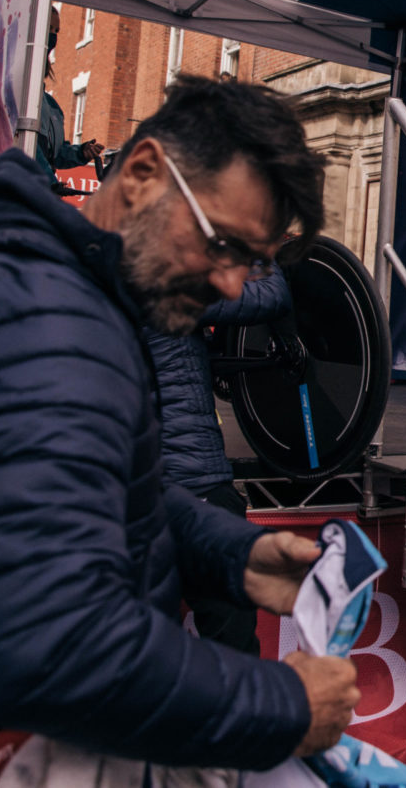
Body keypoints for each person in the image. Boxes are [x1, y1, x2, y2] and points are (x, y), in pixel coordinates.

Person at [0, 77, 359, 769]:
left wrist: (229, 553)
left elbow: (72, 490)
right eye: (222, 243)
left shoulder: (67, 295)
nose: (231, 284)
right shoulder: (43, 322)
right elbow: (51, 647)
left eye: (251, 262)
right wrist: (286, 702)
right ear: (140, 174)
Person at [145, 267, 292, 653]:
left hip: (135, 499)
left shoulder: (83, 290)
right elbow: (271, 296)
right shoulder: (166, 282)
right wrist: (266, 257)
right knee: (233, 646)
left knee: (151, 653)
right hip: (198, 488)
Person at [38, 6, 104, 180]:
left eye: (56, 30)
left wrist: (82, 153)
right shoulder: (18, 95)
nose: (53, 35)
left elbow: (57, 155)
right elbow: (30, 152)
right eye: (49, 28)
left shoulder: (52, 107)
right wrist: (49, 183)